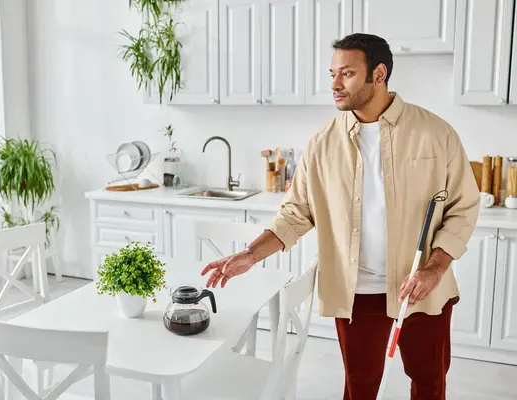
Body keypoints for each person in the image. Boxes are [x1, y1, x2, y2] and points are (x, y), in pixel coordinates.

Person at [200, 33, 480, 400]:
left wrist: (435, 268)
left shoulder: (435, 134)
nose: (334, 83)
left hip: (421, 288)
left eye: (346, 73)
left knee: (429, 381)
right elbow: (297, 212)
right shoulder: (322, 144)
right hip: (357, 293)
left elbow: (462, 207)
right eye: (332, 73)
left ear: (378, 75)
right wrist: (250, 254)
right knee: (359, 387)